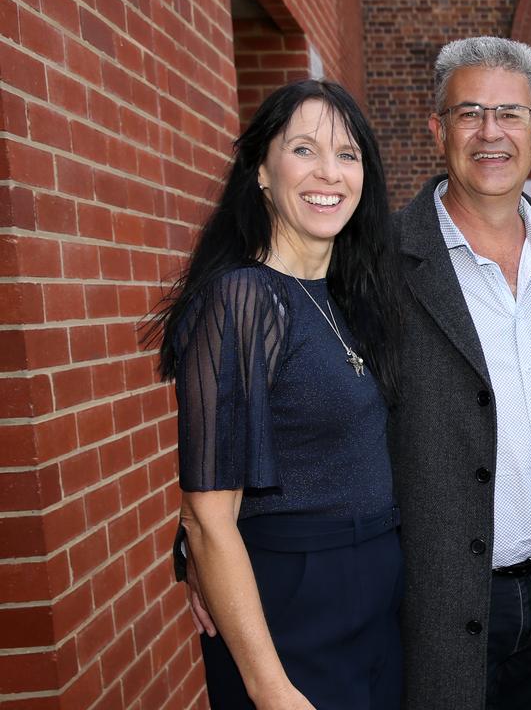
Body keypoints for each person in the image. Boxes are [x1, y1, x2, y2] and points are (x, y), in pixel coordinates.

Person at [154, 79, 405, 708]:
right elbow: (210, 517)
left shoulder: (349, 297)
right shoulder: (242, 299)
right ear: (262, 171)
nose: (330, 173)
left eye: (348, 155)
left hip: (373, 603)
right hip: (293, 610)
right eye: (304, 150)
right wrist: (270, 689)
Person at [390, 36, 531, 709]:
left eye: (509, 115)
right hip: (440, 606)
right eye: (469, 113)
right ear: (437, 130)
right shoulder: (382, 265)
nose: (489, 133)